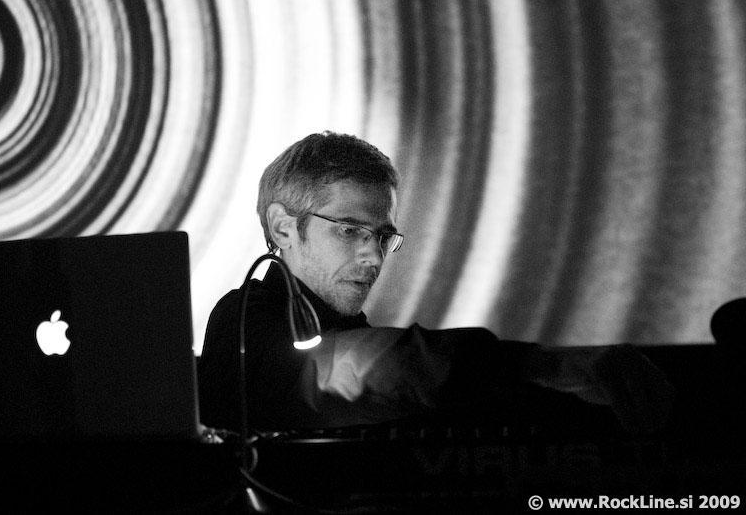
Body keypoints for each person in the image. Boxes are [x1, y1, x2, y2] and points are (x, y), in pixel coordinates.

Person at [197, 132, 673, 434]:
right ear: (283, 228)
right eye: (349, 230)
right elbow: (354, 370)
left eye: (382, 236)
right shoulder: (244, 318)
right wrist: (542, 365)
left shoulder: (340, 324)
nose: (373, 255)